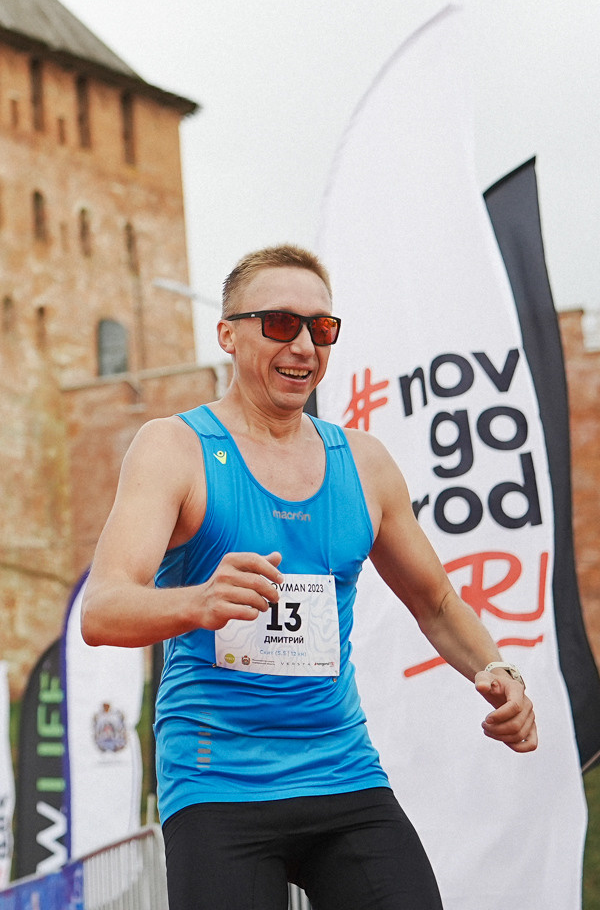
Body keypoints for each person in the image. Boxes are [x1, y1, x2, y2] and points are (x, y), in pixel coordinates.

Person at [80, 244, 536, 910]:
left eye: (321, 329)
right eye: (279, 324)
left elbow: (436, 602)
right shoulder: (175, 448)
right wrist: (199, 602)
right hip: (218, 779)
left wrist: (498, 670)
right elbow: (102, 609)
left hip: (341, 769)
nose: (303, 346)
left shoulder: (365, 464)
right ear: (228, 334)